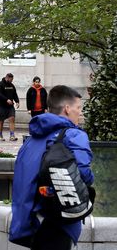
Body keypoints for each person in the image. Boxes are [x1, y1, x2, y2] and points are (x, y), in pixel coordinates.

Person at [10, 85, 94, 250]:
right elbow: (84, 174)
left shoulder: (31, 140)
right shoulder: (74, 135)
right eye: (78, 108)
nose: (80, 112)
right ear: (67, 109)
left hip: (32, 219)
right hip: (61, 219)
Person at [0, 73, 20, 141]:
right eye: (11, 79)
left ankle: (12, 135)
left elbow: (15, 94)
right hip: (1, 105)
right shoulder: (0, 85)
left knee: (12, 118)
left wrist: (17, 101)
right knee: (1, 120)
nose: (12, 81)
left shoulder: (12, 85)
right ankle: (0, 136)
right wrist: (6, 99)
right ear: (7, 78)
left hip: (10, 106)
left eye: (12, 79)